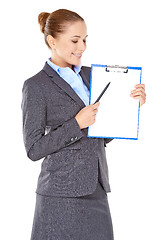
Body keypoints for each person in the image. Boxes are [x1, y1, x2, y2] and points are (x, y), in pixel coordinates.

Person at [21, 9, 146, 240]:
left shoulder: (93, 76)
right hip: (59, 196)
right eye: (75, 40)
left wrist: (130, 106)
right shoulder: (36, 86)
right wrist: (76, 123)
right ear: (52, 41)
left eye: (85, 39)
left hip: (96, 189)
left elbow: (102, 134)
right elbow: (33, 149)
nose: (82, 47)